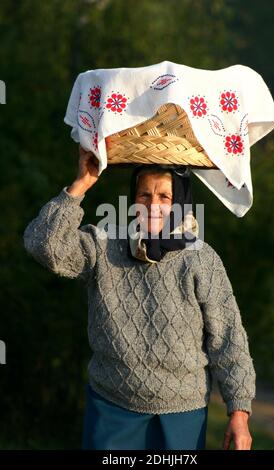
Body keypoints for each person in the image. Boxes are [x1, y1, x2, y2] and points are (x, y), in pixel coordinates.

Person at [23, 144, 256, 450]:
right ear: (133, 200)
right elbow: (43, 245)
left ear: (181, 203)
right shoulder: (105, 245)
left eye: (164, 197)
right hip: (111, 408)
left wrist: (239, 414)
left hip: (182, 416)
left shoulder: (201, 260)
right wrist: (80, 185)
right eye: (144, 195)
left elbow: (228, 339)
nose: (153, 206)